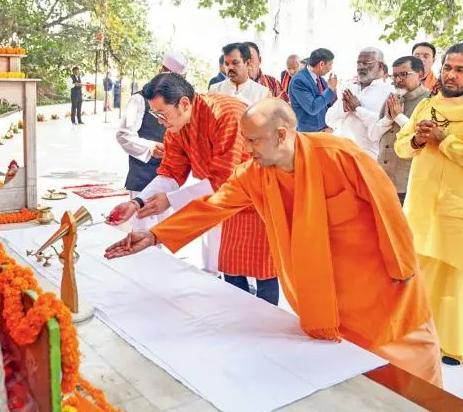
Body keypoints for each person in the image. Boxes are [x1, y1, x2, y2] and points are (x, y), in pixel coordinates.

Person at [106, 99, 443, 385]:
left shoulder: (340, 155)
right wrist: (154, 235)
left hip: (377, 289)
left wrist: (403, 269)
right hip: (321, 293)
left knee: (406, 380)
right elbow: (214, 206)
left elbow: (389, 212)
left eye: (253, 141)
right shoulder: (253, 173)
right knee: (344, 377)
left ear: (281, 135)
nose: (246, 149)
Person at [106, 74, 279, 303]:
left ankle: (268, 330)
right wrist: (136, 202)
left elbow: (224, 178)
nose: (159, 121)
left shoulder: (225, 114)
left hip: (258, 199)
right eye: (155, 115)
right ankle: (240, 325)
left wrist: (170, 200)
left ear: (184, 103)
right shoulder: (176, 127)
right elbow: (170, 171)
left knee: (263, 269)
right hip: (224, 201)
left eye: (162, 114)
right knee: (230, 266)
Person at [395, 43, 463, 365]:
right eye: (447, 68)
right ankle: (414, 332)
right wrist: (417, 139)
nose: (451, 75)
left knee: (454, 276)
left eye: (460, 70)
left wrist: (445, 141)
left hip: (457, 206)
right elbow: (403, 146)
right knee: (418, 271)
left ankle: (450, 344)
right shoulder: (426, 105)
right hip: (421, 201)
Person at [116, 53, 189, 229]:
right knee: (142, 229)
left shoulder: (180, 103)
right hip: (143, 175)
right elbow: (123, 134)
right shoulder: (139, 99)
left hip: (168, 176)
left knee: (162, 231)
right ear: (161, 72)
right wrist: (149, 147)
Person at [369, 56, 430, 204]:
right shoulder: (392, 99)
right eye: (394, 75)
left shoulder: (429, 101)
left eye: (404, 74)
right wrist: (388, 119)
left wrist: (398, 117)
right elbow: (373, 136)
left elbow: (424, 137)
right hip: (382, 178)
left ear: (420, 74)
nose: (397, 80)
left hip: (408, 183)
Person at [325, 47, 395, 158]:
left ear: (380, 66)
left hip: (370, 160)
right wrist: (343, 108)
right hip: (341, 155)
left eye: (366, 63)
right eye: (359, 63)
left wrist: (358, 110)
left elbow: (385, 125)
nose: (361, 67)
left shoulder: (389, 92)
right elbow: (329, 120)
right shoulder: (351, 89)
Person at [288, 48, 338, 132]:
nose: (330, 68)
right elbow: (312, 108)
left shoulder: (321, 79)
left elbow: (327, 104)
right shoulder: (298, 81)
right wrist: (330, 89)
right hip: (308, 135)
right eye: (330, 64)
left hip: (324, 131)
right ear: (321, 64)